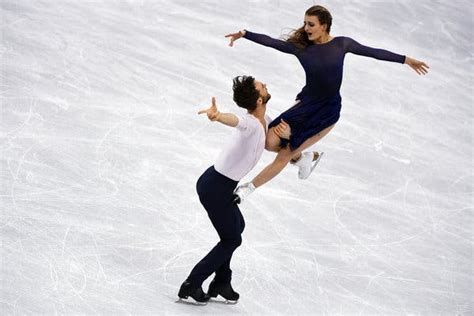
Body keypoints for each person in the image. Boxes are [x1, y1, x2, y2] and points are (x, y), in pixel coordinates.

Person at [226, 5, 429, 203]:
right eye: (305, 23)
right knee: (270, 142)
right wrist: (245, 34)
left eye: (311, 24)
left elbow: (373, 52)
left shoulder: (342, 44)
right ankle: (304, 159)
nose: (306, 28)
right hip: (306, 104)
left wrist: (406, 60)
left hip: (327, 112)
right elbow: (273, 42)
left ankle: (247, 189)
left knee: (285, 153)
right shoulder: (302, 49)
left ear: (324, 26)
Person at [178, 76, 291, 304]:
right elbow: (235, 120)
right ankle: (192, 283)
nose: (266, 84)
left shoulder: (265, 121)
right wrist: (218, 116)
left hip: (220, 184)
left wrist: (287, 138)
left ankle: (222, 282)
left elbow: (272, 146)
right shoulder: (249, 123)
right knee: (231, 239)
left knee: (237, 227)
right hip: (215, 187)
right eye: (263, 86)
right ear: (259, 99)